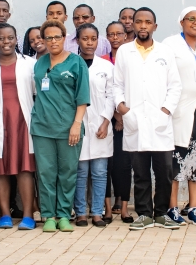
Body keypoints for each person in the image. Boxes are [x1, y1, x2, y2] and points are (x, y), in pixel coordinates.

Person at [114, 7, 182, 231]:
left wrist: (165, 111)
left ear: (155, 26)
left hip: (160, 121)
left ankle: (161, 213)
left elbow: (175, 86)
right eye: (139, 22)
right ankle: (144, 214)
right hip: (135, 120)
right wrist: (124, 110)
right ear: (132, 25)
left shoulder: (165, 52)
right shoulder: (125, 51)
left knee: (164, 172)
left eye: (147, 22)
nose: (143, 26)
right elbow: (117, 85)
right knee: (141, 172)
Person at [31, 20, 90, 233]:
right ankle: (48, 215)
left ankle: (64, 214)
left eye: (57, 37)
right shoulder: (39, 63)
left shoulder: (76, 63)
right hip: (42, 128)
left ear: (64, 38)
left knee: (67, 172)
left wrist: (76, 125)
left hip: (68, 127)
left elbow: (82, 97)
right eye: (48, 37)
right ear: (43, 40)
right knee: (46, 173)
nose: (53, 41)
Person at [163, 7, 196, 226]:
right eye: (191, 19)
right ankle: (172, 208)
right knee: (175, 163)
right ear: (181, 22)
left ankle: (193, 208)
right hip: (179, 111)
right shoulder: (170, 44)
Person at [0, 23, 37, 230]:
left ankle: (28, 215)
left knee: (25, 167)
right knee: (1, 169)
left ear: (17, 40)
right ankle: (5, 214)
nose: (5, 42)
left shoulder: (31, 64)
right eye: (1, 38)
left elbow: (38, 93)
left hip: (23, 120)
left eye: (10, 38)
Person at [75, 23, 114, 227]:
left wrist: (106, 121)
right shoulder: (72, 64)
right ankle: (81, 213)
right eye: (85, 39)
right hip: (78, 126)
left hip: (101, 126)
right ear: (78, 41)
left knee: (99, 173)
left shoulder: (106, 67)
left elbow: (111, 96)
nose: (89, 43)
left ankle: (97, 213)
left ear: (98, 41)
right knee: (80, 173)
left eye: (93, 39)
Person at [105, 21, 133, 222]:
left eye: (119, 34)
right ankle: (106, 207)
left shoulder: (131, 60)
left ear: (125, 36)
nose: (115, 38)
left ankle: (124, 207)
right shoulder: (103, 61)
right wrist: (115, 115)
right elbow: (105, 92)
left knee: (124, 164)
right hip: (107, 120)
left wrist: (123, 116)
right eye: (111, 34)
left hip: (128, 119)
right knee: (107, 164)